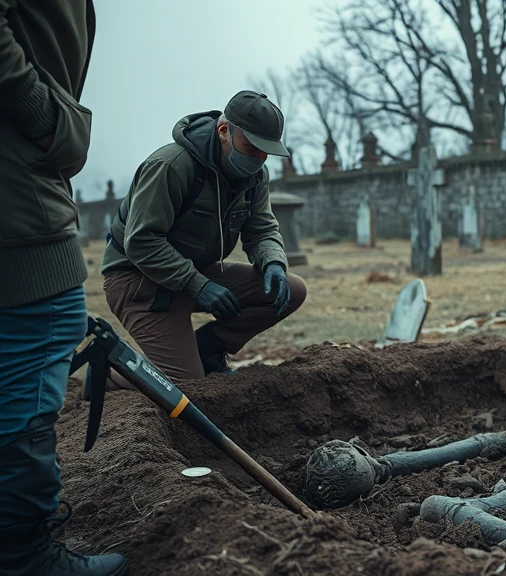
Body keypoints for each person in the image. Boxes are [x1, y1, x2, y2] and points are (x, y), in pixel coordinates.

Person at [0, 1, 130, 574]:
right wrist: (49, 119)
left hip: (22, 189)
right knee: (44, 330)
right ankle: (25, 557)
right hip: (19, 204)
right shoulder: (175, 167)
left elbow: (262, 227)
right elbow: (144, 247)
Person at [100, 90, 306, 383]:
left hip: (196, 273)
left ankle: (206, 349)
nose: (259, 159)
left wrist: (273, 261)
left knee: (292, 290)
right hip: (138, 281)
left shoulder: (255, 177)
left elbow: (261, 228)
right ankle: (105, 377)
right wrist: (198, 286)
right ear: (224, 131)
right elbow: (142, 241)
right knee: (185, 384)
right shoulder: (171, 166)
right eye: (251, 147)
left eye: (266, 152)